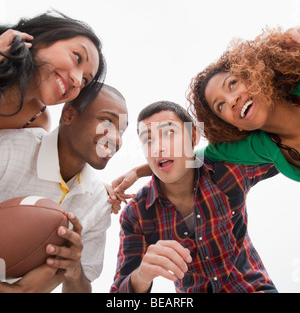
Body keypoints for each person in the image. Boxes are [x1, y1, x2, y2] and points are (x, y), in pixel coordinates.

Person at [110, 101, 278, 293]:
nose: (158, 148)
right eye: (148, 140)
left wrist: (138, 171)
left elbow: (283, 145)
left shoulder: (226, 170)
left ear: (194, 137)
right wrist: (141, 276)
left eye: (169, 133)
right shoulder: (137, 213)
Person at [0, 83, 128, 293]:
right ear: (68, 115)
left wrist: (74, 269)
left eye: (122, 130)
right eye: (107, 121)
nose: (116, 138)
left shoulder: (99, 202)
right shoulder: (10, 151)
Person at [187, 26, 300, 182]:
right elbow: (191, 158)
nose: (231, 100)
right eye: (220, 106)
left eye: (232, 84)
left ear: (255, 74)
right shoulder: (260, 147)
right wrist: (143, 170)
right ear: (231, 126)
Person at [0, 11, 106, 131]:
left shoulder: (36, 122)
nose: (77, 81)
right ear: (43, 38)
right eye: (77, 57)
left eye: (84, 80)